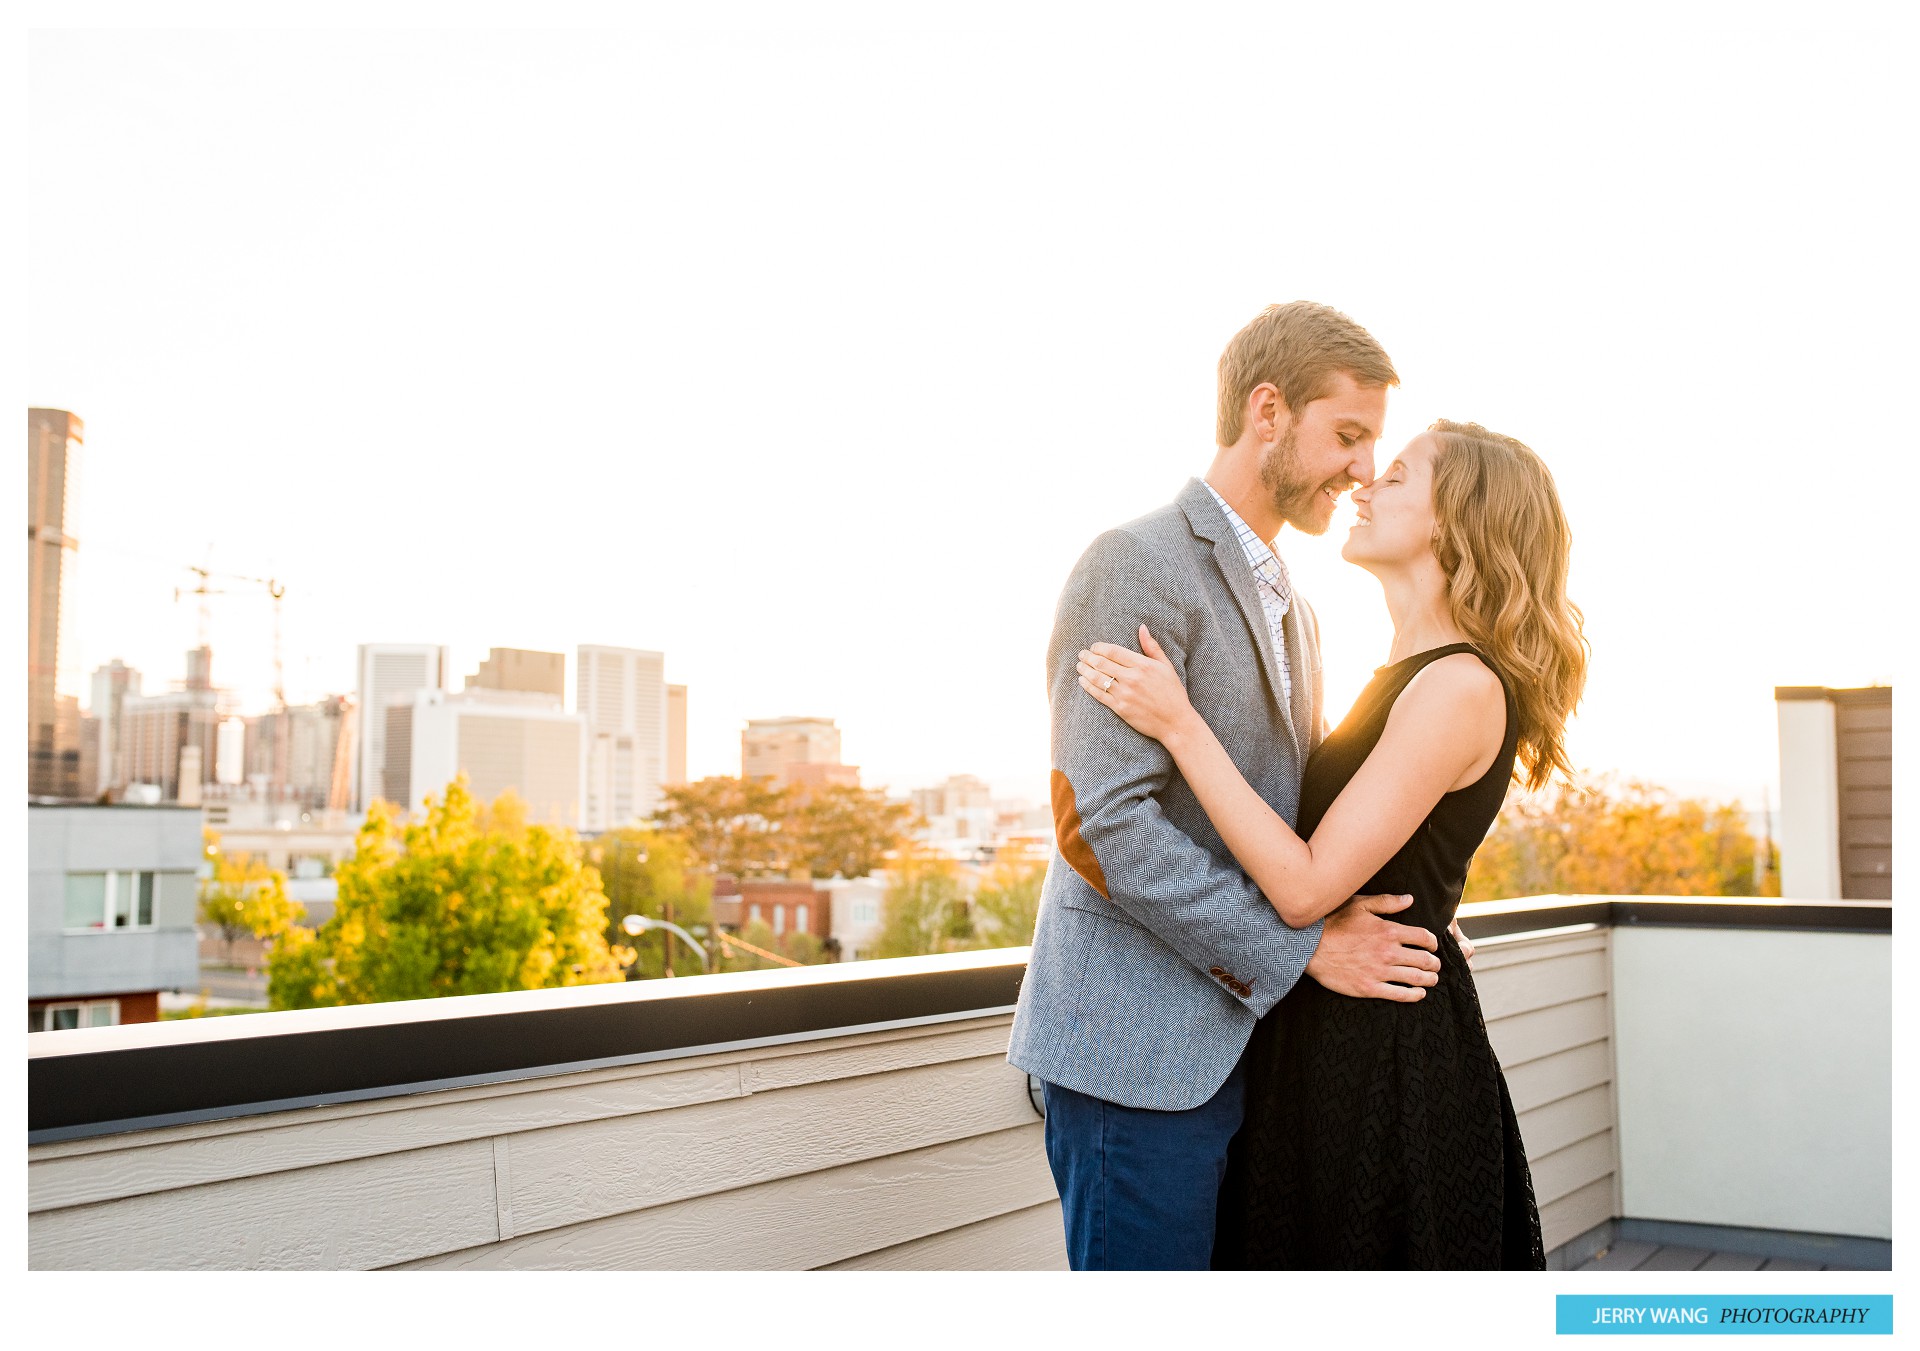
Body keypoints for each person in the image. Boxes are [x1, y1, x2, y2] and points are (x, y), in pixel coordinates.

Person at [1008, 302, 1468, 1271]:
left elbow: (1285, 812)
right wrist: (1295, 952)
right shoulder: (1133, 562)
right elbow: (1097, 823)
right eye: (1347, 436)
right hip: (1135, 1060)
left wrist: (1420, 900)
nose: (1358, 471)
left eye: (1372, 447)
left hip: (1248, 1055)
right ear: (1268, 410)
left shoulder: (1297, 608)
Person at [1075, 417, 1587, 1268]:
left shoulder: (1458, 683)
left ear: (1459, 518)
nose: (1365, 484)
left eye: (1398, 476)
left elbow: (1307, 885)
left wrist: (1180, 723)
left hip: (1382, 1056)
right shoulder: (1401, 671)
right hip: (1327, 1030)